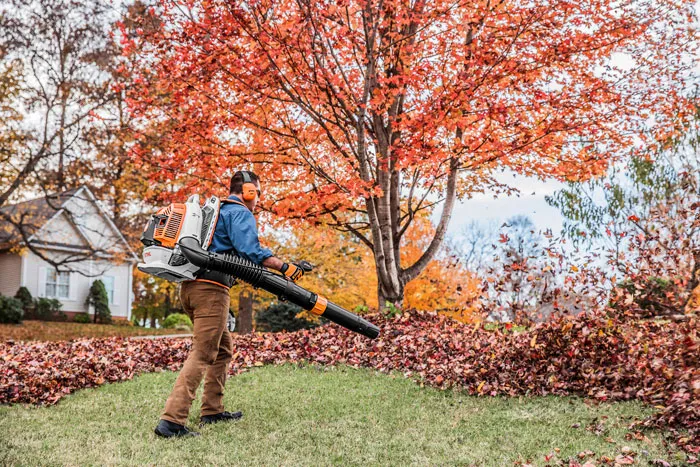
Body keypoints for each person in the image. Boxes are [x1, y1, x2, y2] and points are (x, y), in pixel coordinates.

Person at [154, 170, 309, 438]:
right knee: (203, 353)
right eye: (257, 192)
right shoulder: (239, 212)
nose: (258, 198)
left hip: (191, 289)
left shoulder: (215, 212)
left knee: (223, 349)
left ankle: (212, 411)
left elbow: (236, 258)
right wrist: (286, 267)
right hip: (211, 291)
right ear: (248, 191)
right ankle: (171, 421)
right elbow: (251, 252)